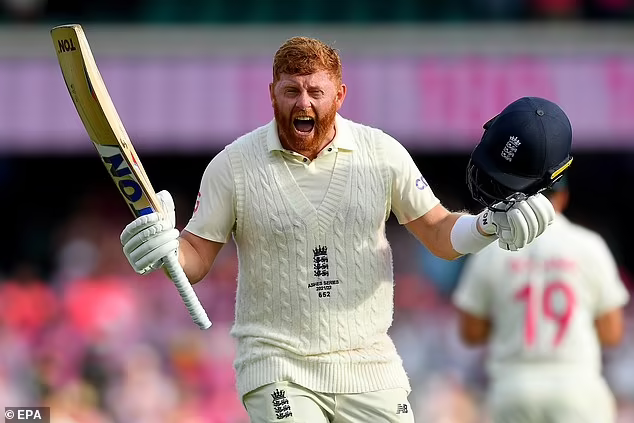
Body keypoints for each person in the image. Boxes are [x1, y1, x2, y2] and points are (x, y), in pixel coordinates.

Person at [119, 37, 562, 422]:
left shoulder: (381, 153)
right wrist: (168, 250)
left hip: (369, 362)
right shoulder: (232, 166)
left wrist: (487, 225)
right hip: (277, 362)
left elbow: (439, 234)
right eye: (291, 91)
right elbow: (195, 258)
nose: (303, 103)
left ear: (340, 95)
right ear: (272, 94)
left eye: (316, 91)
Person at [453, 177, 630, 423]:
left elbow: (470, 332)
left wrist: (509, 323)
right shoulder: (589, 246)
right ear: (564, 196)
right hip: (576, 386)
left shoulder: (491, 250)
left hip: (513, 387)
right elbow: (612, 332)